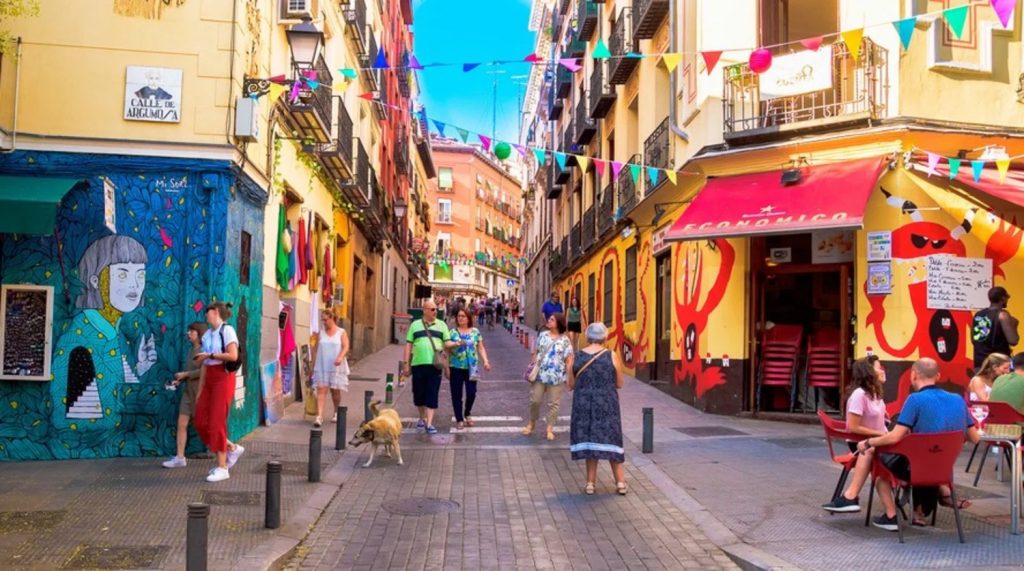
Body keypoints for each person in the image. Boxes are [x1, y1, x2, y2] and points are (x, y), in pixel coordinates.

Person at [856, 358, 980, 531]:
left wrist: (869, 442)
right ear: (938, 376)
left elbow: (894, 437)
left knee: (884, 458)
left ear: (913, 375)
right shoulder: (958, 399)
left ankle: (894, 513)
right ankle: (937, 496)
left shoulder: (915, 400)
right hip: (945, 468)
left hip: (916, 469)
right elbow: (975, 438)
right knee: (928, 456)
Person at [822, 355, 888, 512]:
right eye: (880, 367)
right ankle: (851, 497)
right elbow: (852, 427)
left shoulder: (876, 393)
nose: (883, 370)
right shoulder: (859, 395)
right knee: (870, 450)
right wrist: (880, 434)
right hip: (859, 442)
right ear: (869, 372)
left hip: (876, 439)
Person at [568, 323, 626, 495]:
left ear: (587, 336)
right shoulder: (611, 355)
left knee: (590, 443)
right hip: (607, 404)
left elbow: (570, 385)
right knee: (612, 441)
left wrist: (569, 366)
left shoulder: (577, 356)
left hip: (584, 404)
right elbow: (620, 383)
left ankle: (590, 484)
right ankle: (620, 483)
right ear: (604, 337)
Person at [194, 302, 245, 483]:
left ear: (215, 312)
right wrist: (201, 390)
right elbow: (205, 367)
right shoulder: (208, 335)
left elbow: (233, 355)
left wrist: (210, 355)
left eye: (208, 312)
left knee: (216, 422)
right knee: (200, 421)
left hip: (223, 377)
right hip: (209, 379)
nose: (206, 316)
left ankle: (223, 467)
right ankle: (231, 447)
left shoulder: (227, 330)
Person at [162, 321, 208, 468]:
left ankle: (230, 448)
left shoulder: (204, 351)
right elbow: (190, 373)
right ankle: (180, 457)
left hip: (200, 395)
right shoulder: (190, 351)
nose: (188, 334)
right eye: (188, 331)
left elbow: (205, 372)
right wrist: (180, 381)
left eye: (192, 331)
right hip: (188, 394)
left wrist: (186, 374)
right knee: (182, 424)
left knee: (209, 426)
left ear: (199, 334)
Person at [524, 312, 574, 441]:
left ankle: (549, 428)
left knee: (553, 404)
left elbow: (569, 360)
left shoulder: (565, 340)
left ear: (558, 323)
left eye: (552, 319)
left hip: (556, 377)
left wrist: (569, 378)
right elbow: (536, 351)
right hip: (540, 375)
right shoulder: (543, 335)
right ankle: (532, 422)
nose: (548, 320)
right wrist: (534, 361)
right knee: (535, 400)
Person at [403, 300, 450, 434]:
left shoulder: (442, 325)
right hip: (418, 364)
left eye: (436, 309)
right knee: (418, 393)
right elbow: (408, 345)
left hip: (435, 365)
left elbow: (446, 346)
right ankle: (422, 417)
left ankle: (429, 423)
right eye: (432, 309)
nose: (435, 311)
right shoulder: (415, 325)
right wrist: (406, 364)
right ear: (424, 310)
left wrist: (457, 344)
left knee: (432, 392)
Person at [446, 308, 491, 429]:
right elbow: (446, 346)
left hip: (472, 367)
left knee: (471, 393)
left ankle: (467, 412)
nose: (460, 318)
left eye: (463, 316)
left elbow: (480, 347)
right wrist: (455, 344)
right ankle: (459, 419)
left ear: (468, 318)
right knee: (456, 394)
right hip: (455, 367)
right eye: (459, 316)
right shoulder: (453, 332)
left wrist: (485, 361)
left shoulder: (475, 332)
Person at [310, 308, 350, 428]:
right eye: (322, 320)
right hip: (322, 364)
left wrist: (340, 357)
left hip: (335, 365)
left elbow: (346, 346)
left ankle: (336, 411)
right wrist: (312, 365)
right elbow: (315, 349)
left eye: (326, 320)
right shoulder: (320, 333)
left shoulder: (341, 332)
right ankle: (319, 416)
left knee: (335, 391)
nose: (324, 322)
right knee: (321, 390)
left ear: (332, 319)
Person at [972, 286, 1019, 369]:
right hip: (999, 366)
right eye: (1007, 297)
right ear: (1002, 298)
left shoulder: (978, 315)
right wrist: (1014, 325)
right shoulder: (1002, 315)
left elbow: (974, 339)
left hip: (981, 364)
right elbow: (1013, 340)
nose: (1007, 300)